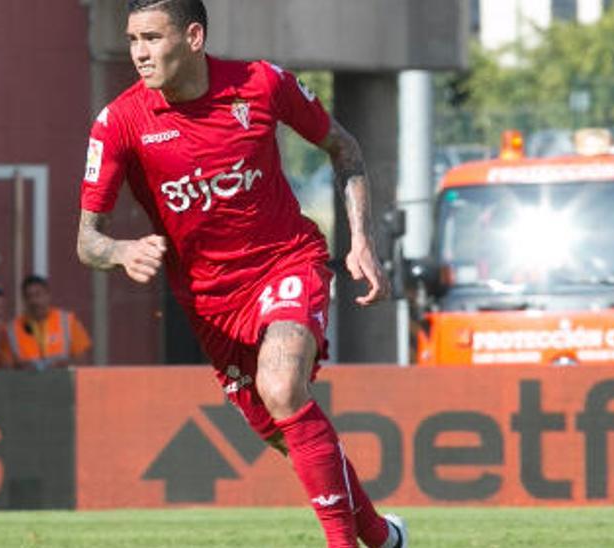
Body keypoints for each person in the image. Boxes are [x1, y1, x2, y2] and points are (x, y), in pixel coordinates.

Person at [75, 2, 404, 547]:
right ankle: (382, 537)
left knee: (282, 387)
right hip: (210, 303)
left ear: (194, 36)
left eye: (153, 38)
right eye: (133, 39)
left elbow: (344, 148)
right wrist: (120, 252)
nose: (138, 53)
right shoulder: (118, 123)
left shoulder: (262, 83)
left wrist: (361, 242)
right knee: (283, 430)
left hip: (286, 262)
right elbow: (87, 240)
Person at [3, 274, 92, 370]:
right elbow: (6, 367)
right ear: (23, 300)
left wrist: (64, 364)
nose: (33, 301)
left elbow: (82, 361)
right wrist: (20, 367)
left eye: (38, 294)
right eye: (28, 296)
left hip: (61, 381)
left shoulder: (68, 321)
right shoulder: (12, 329)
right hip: (27, 382)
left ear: (48, 295)